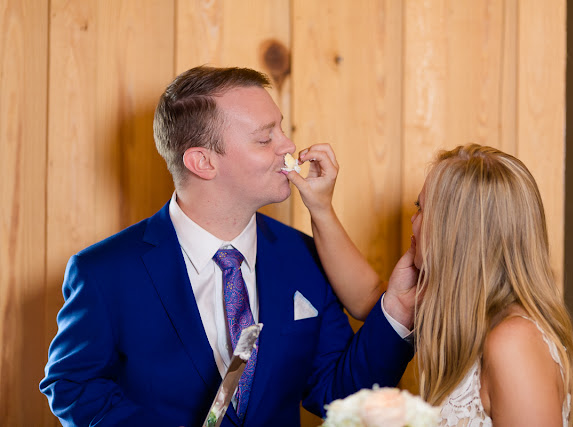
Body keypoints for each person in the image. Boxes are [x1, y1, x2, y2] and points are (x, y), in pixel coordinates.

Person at [40, 66, 415, 427]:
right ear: (202, 161)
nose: (289, 147)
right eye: (266, 138)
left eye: (282, 129)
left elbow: (340, 394)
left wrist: (397, 311)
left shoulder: (307, 259)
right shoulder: (104, 271)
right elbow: (72, 384)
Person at [286, 143, 573, 426]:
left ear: (455, 232)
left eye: (421, 208)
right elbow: (370, 298)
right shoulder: (472, 315)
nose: (413, 219)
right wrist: (321, 207)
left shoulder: (513, 342)